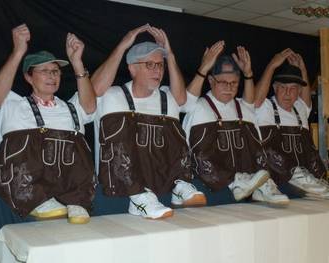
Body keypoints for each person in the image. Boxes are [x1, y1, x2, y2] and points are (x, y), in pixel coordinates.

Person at [91, 24, 206, 219]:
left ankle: (179, 185)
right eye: (149, 65)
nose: (157, 71)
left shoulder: (167, 97)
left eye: (160, 65)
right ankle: (138, 196)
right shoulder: (111, 96)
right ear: (132, 69)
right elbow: (93, 89)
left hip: (160, 181)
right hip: (119, 185)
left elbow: (182, 100)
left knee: (173, 127)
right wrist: (121, 47)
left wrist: (169, 54)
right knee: (120, 124)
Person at [0, 24, 96, 224]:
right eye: (44, 71)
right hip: (26, 193)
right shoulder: (11, 105)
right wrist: (18, 51)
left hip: (71, 195)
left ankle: (76, 199)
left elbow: (89, 107)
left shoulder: (70, 108)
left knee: (78, 144)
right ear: (28, 76)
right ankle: (37, 199)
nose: (52, 75)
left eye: (55, 71)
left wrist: (77, 62)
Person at [183, 42, 289, 206]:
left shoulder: (244, 108)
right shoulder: (198, 108)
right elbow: (186, 104)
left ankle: (260, 187)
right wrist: (203, 68)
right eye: (223, 82)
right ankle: (235, 182)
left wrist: (248, 73)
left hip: (249, 185)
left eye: (234, 83)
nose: (229, 88)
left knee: (257, 143)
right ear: (211, 80)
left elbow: (251, 101)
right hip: (213, 186)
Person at [254, 48, 328, 199]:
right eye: (283, 87)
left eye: (293, 89)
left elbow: (306, 99)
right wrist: (272, 66)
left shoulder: (300, 108)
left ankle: (315, 185)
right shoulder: (265, 107)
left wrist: (302, 68)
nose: (288, 93)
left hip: (309, 177)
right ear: (274, 88)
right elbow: (254, 101)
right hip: (279, 178)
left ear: (299, 91)